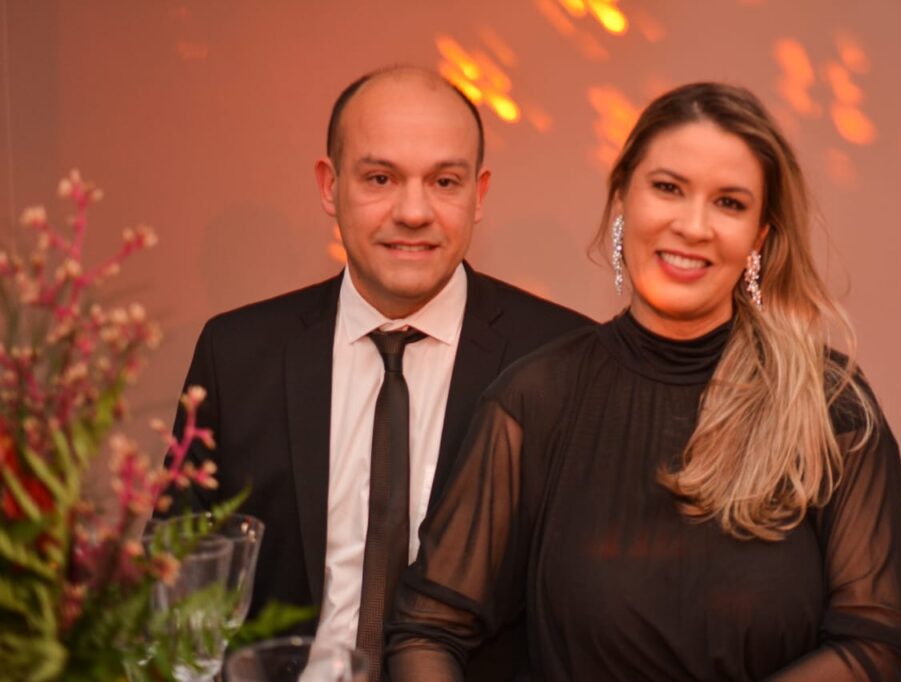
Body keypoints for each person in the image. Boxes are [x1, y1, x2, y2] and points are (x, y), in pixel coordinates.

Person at [386, 82, 901, 681]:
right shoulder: (536, 399)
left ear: (759, 236)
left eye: (729, 203)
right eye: (668, 188)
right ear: (623, 198)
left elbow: (874, 638)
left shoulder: (825, 402)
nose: (693, 226)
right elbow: (426, 630)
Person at [166, 66, 590, 681]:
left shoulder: (564, 359)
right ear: (329, 186)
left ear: (479, 194)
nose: (413, 212)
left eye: (444, 181)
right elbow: (178, 579)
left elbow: (587, 611)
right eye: (380, 178)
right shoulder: (236, 355)